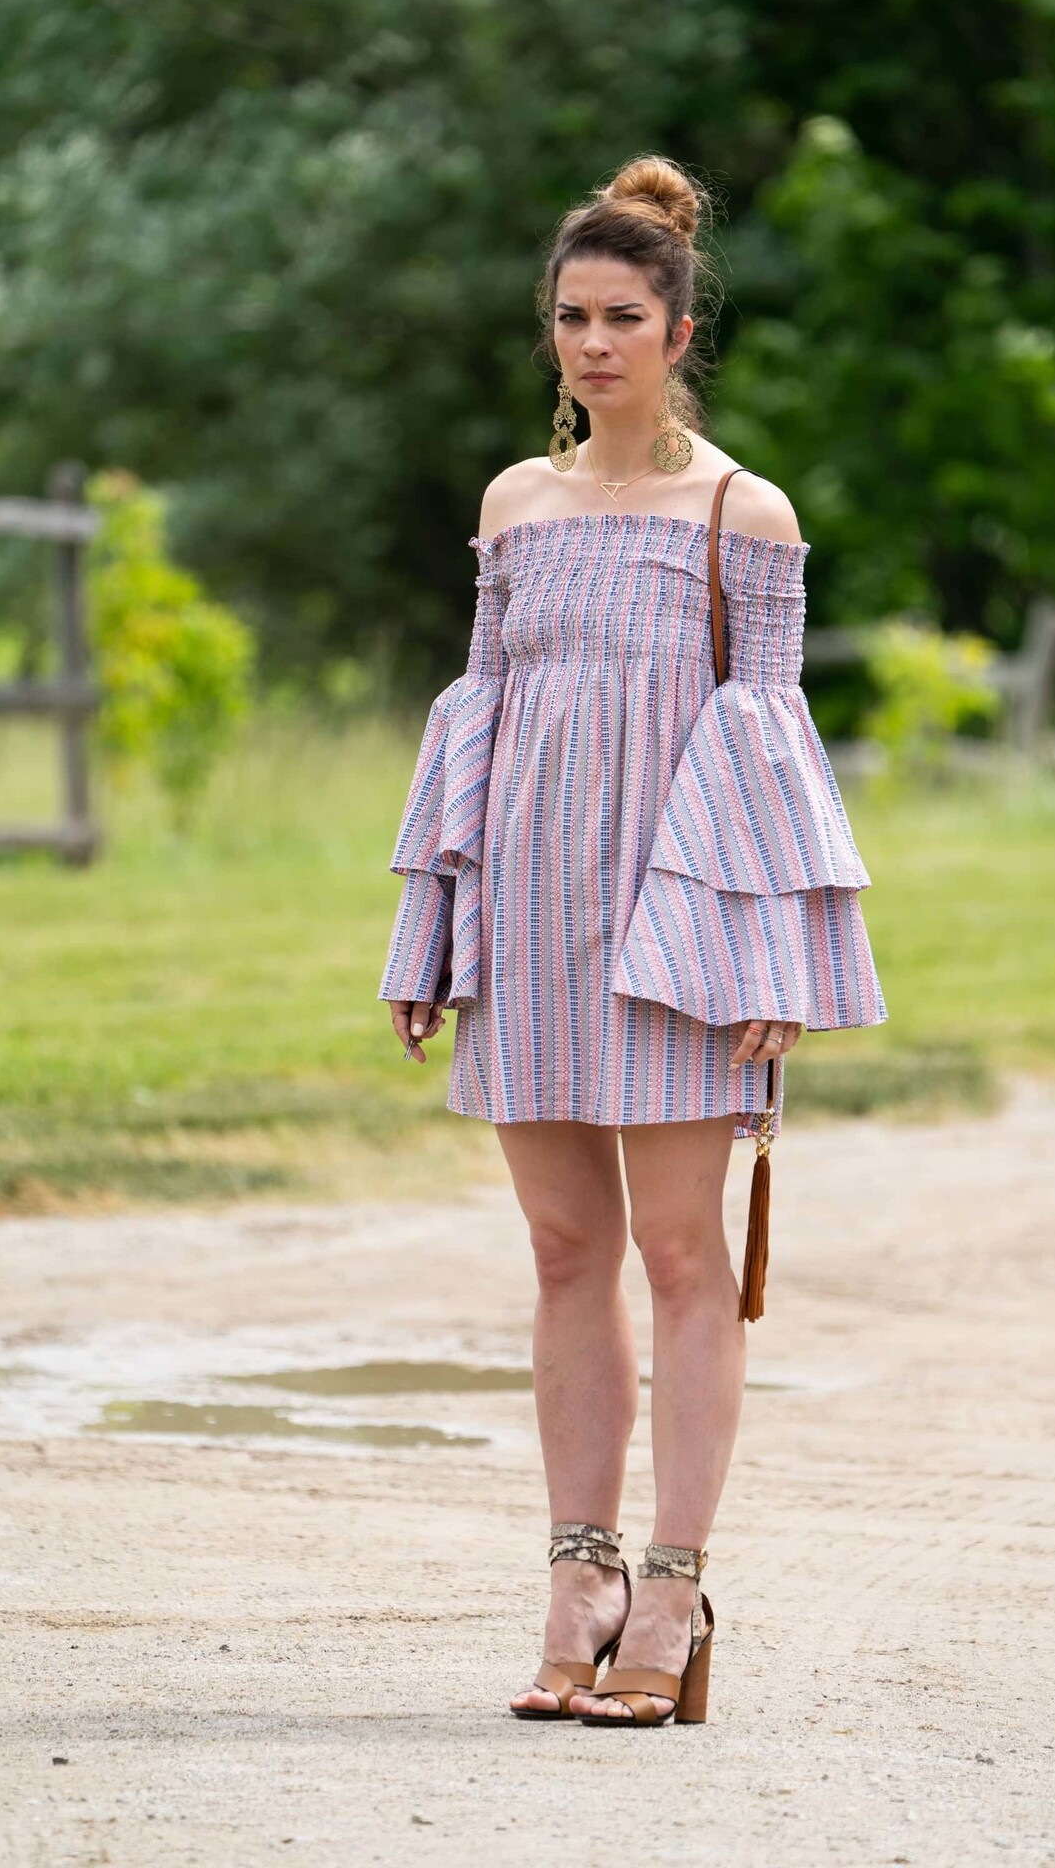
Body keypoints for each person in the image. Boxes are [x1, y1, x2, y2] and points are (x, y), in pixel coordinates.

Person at [379, 154, 886, 1727]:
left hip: (677, 939)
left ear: (679, 331)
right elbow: (477, 724)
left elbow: (770, 753)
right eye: (571, 317)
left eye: (622, 317)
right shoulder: (513, 508)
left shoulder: (744, 514)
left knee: (679, 1255)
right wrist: (430, 924)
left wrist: (770, 963)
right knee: (561, 1253)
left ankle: (673, 1585)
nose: (593, 343)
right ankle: (578, 1573)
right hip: (529, 924)